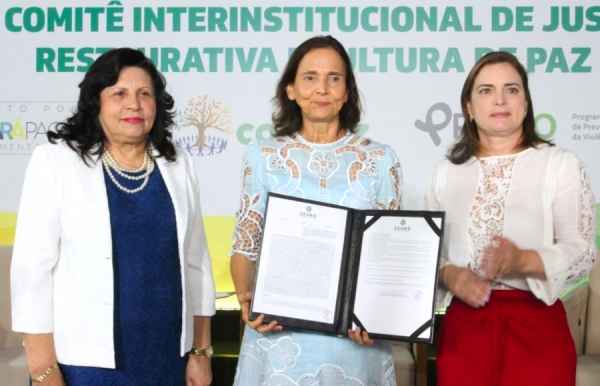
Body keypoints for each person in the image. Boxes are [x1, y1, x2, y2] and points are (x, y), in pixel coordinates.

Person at [10, 48, 216, 386]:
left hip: (167, 358)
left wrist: (200, 351)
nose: (133, 104)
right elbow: (31, 273)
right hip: (83, 366)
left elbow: (198, 265)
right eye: (119, 93)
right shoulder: (56, 162)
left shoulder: (178, 164)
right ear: (96, 103)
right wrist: (43, 370)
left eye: (144, 94)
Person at [229, 35, 402, 385]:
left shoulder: (382, 159)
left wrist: (379, 318)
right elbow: (245, 246)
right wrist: (247, 300)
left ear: (347, 91)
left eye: (334, 78)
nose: (322, 88)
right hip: (278, 339)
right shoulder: (263, 156)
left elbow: (388, 261)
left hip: (354, 346)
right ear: (291, 89)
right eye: (310, 77)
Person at [425, 51, 597, 386]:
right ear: (469, 108)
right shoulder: (445, 173)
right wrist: (450, 274)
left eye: (512, 89)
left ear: (526, 103)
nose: (500, 99)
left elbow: (583, 252)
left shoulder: (560, 164)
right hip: (464, 333)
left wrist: (523, 260)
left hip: (537, 327)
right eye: (486, 90)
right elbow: (428, 254)